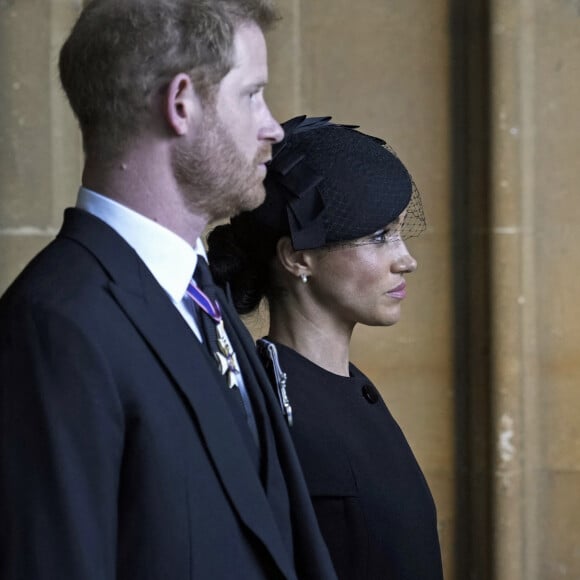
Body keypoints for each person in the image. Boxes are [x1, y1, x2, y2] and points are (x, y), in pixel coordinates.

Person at [0, 3, 338, 579]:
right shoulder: (55, 327)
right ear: (180, 104)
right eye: (252, 94)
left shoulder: (199, 293)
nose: (273, 127)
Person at [207, 115, 445, 579]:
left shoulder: (350, 390)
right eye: (379, 237)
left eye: (397, 232)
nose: (407, 260)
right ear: (298, 258)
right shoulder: (266, 409)